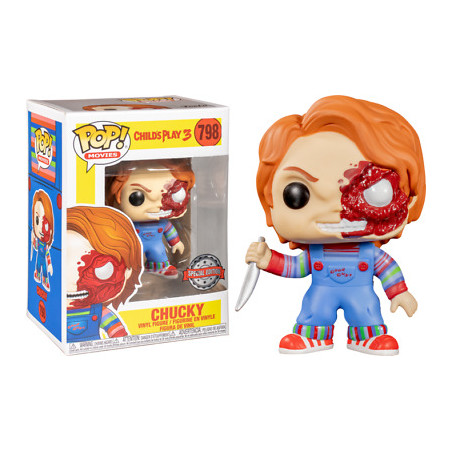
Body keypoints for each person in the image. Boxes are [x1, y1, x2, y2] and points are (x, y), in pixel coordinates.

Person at [246, 95, 425, 355]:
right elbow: (296, 267)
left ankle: (368, 336)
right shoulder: (314, 254)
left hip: (362, 296)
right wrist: (268, 260)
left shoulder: (370, 253)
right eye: (297, 195)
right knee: (314, 311)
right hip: (320, 295)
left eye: (376, 191)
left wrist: (399, 292)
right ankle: (312, 335)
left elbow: (387, 268)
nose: (337, 210)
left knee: (367, 312)